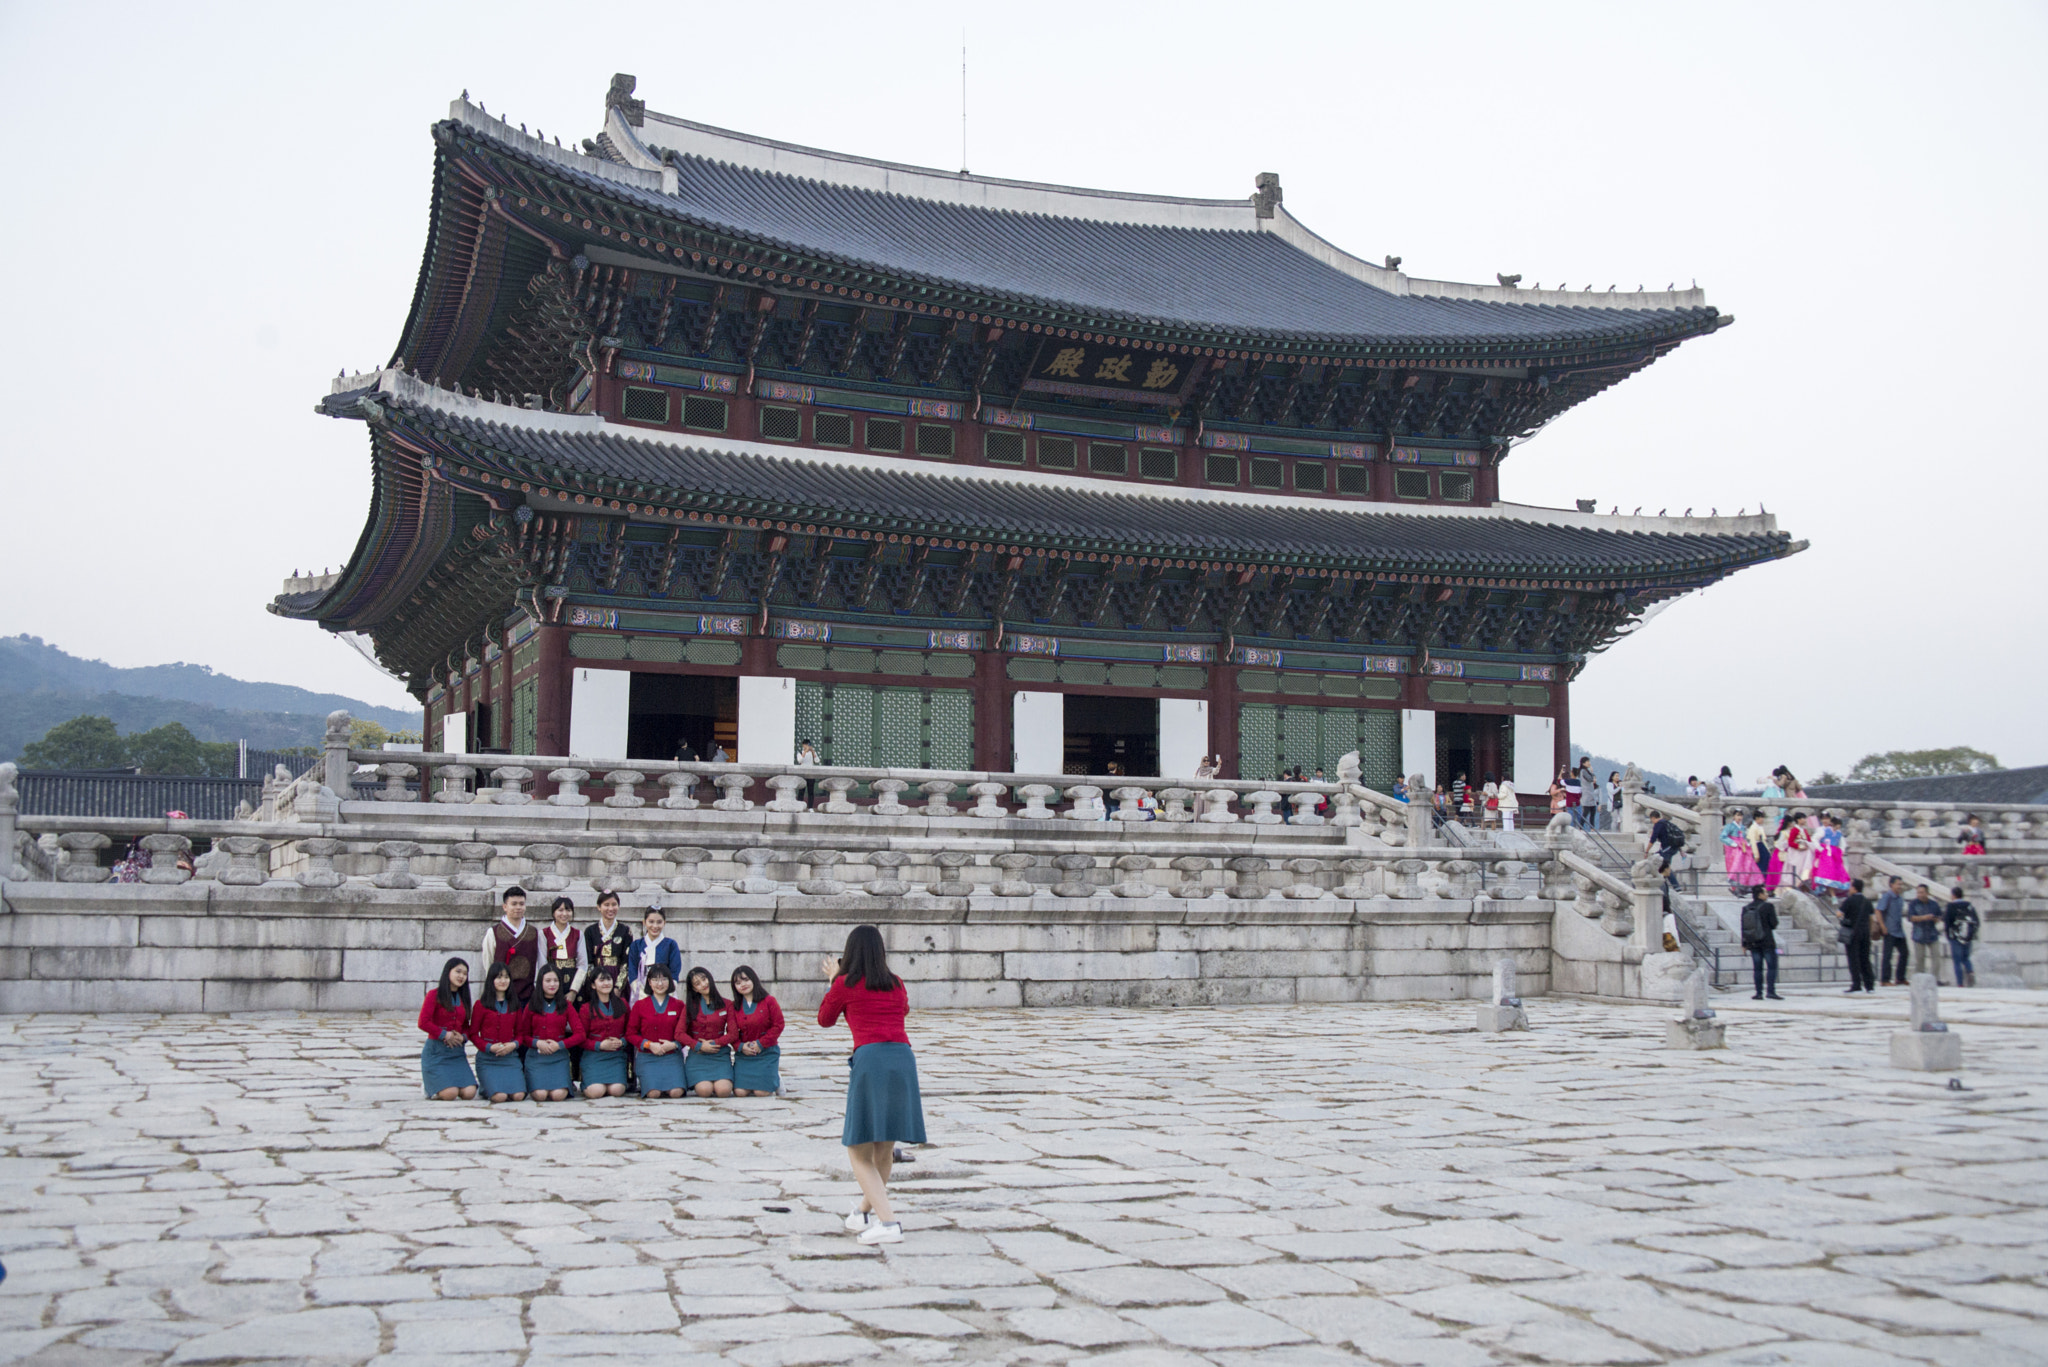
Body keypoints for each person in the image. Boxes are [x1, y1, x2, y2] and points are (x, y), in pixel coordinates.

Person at [818, 925, 927, 1246]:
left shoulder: (844, 984)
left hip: (871, 1059)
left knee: (859, 1149)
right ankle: (863, 1212)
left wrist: (832, 982)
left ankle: (889, 1222)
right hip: (902, 1059)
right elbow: (902, 1010)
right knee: (884, 1145)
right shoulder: (896, 983)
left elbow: (825, 1019)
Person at [418, 957, 478, 1101]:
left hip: (456, 1054)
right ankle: (430, 1086)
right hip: (436, 1052)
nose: (461, 976)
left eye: (464, 973)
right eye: (458, 971)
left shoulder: (463, 998)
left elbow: (466, 1027)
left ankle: (444, 1083)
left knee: (469, 1093)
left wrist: (463, 1037)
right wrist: (445, 1035)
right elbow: (423, 1022)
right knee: (450, 1094)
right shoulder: (434, 995)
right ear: (448, 972)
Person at [521, 965, 581, 1103]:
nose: (552, 984)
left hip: (558, 1057)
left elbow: (580, 1034)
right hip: (537, 1056)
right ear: (540, 982)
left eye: (555, 980)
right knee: (540, 1095)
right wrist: (537, 1043)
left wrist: (560, 1045)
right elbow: (522, 1035)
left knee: (558, 1095)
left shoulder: (566, 1005)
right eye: (548, 980)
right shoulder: (532, 1005)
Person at [627, 964, 688, 1098]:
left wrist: (674, 1045)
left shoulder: (678, 1005)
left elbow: (686, 1033)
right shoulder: (640, 1005)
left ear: (670, 981)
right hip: (648, 1056)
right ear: (649, 982)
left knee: (676, 1093)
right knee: (653, 1093)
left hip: (671, 1056)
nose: (660, 984)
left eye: (664, 979)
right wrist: (648, 1045)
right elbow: (630, 1034)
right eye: (655, 979)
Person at [470, 963, 527, 1103]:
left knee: (518, 1096)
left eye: (506, 977)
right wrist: (489, 1047)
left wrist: (513, 1045)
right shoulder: (481, 1004)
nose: (503, 981)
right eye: (499, 977)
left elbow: (520, 1034)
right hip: (488, 1058)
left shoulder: (515, 1004)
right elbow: (472, 1034)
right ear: (491, 980)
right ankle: (486, 1086)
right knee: (499, 1097)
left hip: (510, 1057)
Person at [681, 967, 737, 1099]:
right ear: (694, 989)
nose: (703, 984)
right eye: (697, 983)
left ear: (710, 978)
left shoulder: (727, 1004)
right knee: (704, 1091)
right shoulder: (690, 1006)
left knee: (723, 1091)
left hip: (719, 1054)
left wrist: (714, 1043)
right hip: (698, 1055)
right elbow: (679, 1034)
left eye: (704, 979)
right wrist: (698, 1045)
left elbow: (733, 1033)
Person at [729, 965, 784, 1097]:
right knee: (740, 1092)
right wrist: (741, 1047)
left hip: (766, 1052)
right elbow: (731, 1032)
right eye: (738, 983)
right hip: (745, 1055)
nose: (743, 984)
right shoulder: (734, 1006)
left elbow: (779, 1025)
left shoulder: (769, 1001)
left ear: (753, 979)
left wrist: (761, 1044)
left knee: (761, 1092)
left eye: (746, 980)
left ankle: (775, 1077)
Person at [481, 886, 539, 1008]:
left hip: (527, 995)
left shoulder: (534, 933)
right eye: (514, 904)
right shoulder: (493, 932)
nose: (518, 907)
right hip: (501, 995)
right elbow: (488, 964)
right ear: (505, 907)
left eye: (521, 904)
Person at [577, 968, 631, 1098]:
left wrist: (622, 1042)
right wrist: (599, 1046)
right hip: (594, 1056)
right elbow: (580, 1038)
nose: (606, 983)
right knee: (596, 1092)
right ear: (593, 985)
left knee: (617, 1090)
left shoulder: (622, 1004)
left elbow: (631, 1031)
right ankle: (586, 1082)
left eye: (608, 979)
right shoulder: (586, 1008)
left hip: (616, 1056)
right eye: (601, 980)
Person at [581, 891, 632, 1004]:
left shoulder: (625, 931)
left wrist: (618, 986)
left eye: (614, 904)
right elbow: (588, 961)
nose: (610, 908)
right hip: (596, 977)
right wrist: (595, 982)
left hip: (617, 975)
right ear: (599, 907)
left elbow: (626, 962)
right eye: (606, 905)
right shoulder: (590, 931)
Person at [626, 907, 682, 1002]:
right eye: (651, 922)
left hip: (665, 991)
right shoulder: (636, 945)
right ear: (644, 922)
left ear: (664, 922)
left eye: (659, 922)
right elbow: (632, 971)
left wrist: (665, 992)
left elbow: (675, 972)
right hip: (641, 993)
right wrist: (642, 993)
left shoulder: (671, 945)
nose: (655, 926)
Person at [1739, 885, 1782, 1000]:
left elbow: (1744, 927)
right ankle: (1771, 991)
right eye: (1765, 892)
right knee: (1771, 967)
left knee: (1757, 968)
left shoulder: (1747, 908)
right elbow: (1774, 924)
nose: (1767, 894)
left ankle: (1758, 993)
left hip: (1753, 943)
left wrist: (1744, 944)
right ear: (1760, 895)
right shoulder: (1768, 906)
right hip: (1767, 941)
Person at [1838, 879, 1876, 994]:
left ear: (1854, 888)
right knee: (1865, 959)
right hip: (1865, 933)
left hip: (1853, 933)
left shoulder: (1849, 900)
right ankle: (1869, 985)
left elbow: (1839, 914)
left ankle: (1856, 983)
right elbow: (1872, 918)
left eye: (1850, 887)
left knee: (1853, 959)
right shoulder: (1867, 901)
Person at [539, 897, 582, 997]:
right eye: (560, 910)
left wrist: (574, 990)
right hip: (551, 981)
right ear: (554, 912)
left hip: (572, 979)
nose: (564, 914)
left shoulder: (578, 934)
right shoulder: (544, 934)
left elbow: (582, 965)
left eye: (568, 910)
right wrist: (548, 985)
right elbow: (542, 963)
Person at [1906, 883, 1945, 982]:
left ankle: (1935, 979)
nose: (1920, 894)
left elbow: (1939, 917)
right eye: (1918, 892)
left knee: (1936, 957)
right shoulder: (1913, 904)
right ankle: (1919, 980)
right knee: (1920, 959)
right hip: (1919, 934)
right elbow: (1911, 918)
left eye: (1922, 892)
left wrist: (1935, 919)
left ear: (1927, 893)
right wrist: (1924, 917)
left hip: (1932, 933)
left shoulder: (1933, 904)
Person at [1876, 877, 1910, 985]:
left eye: (1901, 884)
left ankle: (1900, 978)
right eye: (1898, 884)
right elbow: (1878, 910)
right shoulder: (1887, 897)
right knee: (1887, 956)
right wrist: (1882, 926)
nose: (1900, 886)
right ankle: (1885, 979)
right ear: (1891, 885)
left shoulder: (1900, 898)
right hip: (1889, 931)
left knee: (1904, 953)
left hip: (1899, 931)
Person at [1944, 887, 1980, 988]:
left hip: (1955, 937)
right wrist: (1972, 934)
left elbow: (1947, 922)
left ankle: (1960, 983)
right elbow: (1976, 921)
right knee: (1966, 958)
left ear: (1953, 895)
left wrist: (1948, 935)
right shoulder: (1969, 906)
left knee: (1957, 961)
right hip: (1967, 937)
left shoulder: (1951, 906)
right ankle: (1970, 971)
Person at [1811, 815, 1851, 893]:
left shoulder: (1839, 833)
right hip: (1826, 852)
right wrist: (1820, 848)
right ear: (1833, 824)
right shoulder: (1825, 831)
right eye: (1836, 826)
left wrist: (1841, 851)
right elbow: (1814, 838)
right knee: (1826, 869)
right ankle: (1821, 886)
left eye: (1838, 827)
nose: (1837, 828)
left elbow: (1843, 844)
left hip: (1835, 854)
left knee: (1836, 869)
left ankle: (1832, 887)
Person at [1722, 808, 1760, 890]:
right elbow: (1723, 837)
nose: (1739, 817)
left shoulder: (1742, 827)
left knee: (1746, 865)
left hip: (1743, 848)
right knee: (1736, 864)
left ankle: (1743, 886)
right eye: (1737, 815)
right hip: (1734, 849)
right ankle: (1733, 882)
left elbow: (1744, 837)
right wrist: (1732, 843)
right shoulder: (1729, 826)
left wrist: (1747, 843)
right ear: (1733, 816)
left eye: (1741, 815)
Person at [1648, 810, 1686, 890]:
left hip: (1667, 849)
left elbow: (1653, 839)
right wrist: (1680, 850)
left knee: (1665, 867)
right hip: (1673, 848)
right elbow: (1674, 838)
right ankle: (1663, 884)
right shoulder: (1667, 823)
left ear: (1653, 818)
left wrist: (1646, 851)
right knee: (1659, 862)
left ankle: (1676, 887)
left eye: (1651, 820)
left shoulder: (1658, 825)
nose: (1652, 822)